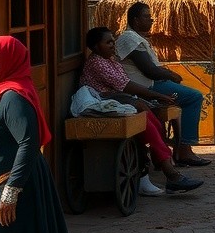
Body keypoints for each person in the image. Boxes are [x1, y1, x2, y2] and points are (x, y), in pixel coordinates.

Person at [0, 36, 80, 233]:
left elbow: (28, 142)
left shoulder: (12, 97)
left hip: (10, 188)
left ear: (8, 61)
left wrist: (11, 191)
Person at [80, 27, 202, 195]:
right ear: (95, 47)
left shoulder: (110, 60)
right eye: (108, 42)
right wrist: (157, 95)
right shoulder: (97, 63)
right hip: (104, 105)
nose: (112, 45)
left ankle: (159, 163)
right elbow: (126, 86)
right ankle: (171, 175)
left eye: (113, 42)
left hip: (118, 101)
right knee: (148, 124)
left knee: (153, 119)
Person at [115, 1, 210, 167]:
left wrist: (167, 74)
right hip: (145, 87)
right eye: (146, 17)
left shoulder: (138, 38)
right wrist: (171, 75)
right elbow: (149, 70)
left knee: (184, 97)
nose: (151, 20)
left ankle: (179, 147)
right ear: (136, 20)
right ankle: (184, 150)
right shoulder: (129, 38)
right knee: (194, 97)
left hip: (153, 83)